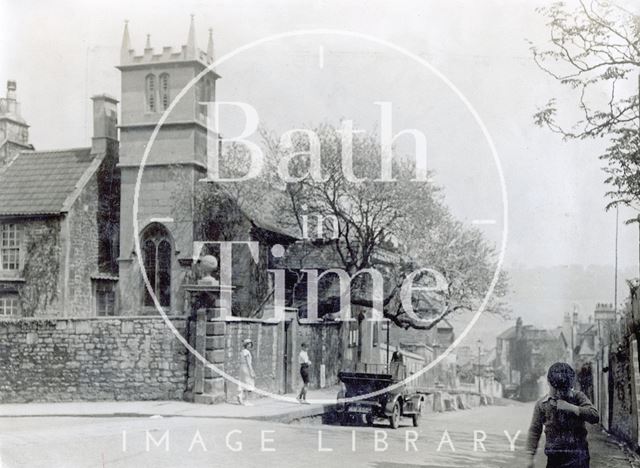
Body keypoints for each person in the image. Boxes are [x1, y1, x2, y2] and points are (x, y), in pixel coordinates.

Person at [526, 362, 599, 468]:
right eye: (557, 390)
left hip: (579, 457)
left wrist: (571, 407)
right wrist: (530, 456)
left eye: (564, 389)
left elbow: (595, 416)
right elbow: (534, 430)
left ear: (570, 385)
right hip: (554, 459)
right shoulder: (542, 404)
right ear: (549, 383)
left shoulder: (578, 397)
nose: (560, 393)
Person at [237, 338, 255, 406]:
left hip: (242, 368)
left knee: (242, 382)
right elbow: (248, 363)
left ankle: (240, 395)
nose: (250, 345)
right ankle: (246, 400)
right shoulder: (247, 352)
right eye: (249, 344)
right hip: (246, 368)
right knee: (248, 383)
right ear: (247, 345)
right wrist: (252, 371)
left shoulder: (242, 352)